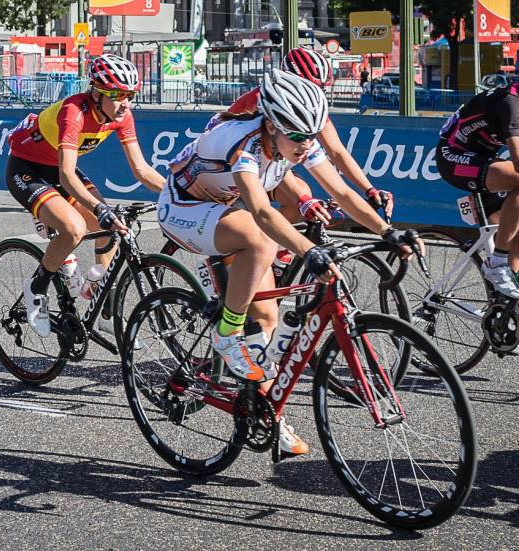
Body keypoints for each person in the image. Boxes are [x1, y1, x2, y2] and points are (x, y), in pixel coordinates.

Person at [158, 69, 420, 455]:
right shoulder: (244, 144)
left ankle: (266, 414)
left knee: (266, 319)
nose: (306, 144)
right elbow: (263, 212)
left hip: (224, 210)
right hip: (183, 208)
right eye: (297, 136)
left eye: (311, 135)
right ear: (271, 125)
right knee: (260, 240)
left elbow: (341, 192)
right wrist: (308, 251)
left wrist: (387, 231)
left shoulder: (297, 141)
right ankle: (226, 333)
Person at [5, 53, 165, 337]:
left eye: (130, 95)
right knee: (74, 229)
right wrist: (98, 208)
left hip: (58, 168)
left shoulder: (122, 116)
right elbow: (67, 175)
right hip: (28, 168)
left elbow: (141, 169)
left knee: (112, 228)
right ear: (97, 93)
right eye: (118, 95)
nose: (125, 103)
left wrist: (176, 193)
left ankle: (105, 310)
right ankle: (36, 288)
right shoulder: (74, 112)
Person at [206, 48, 393, 223]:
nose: (316, 96)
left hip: (266, 165)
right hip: (230, 168)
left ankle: (273, 244)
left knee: (300, 201)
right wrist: (301, 199)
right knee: (263, 220)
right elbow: (268, 159)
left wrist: (369, 190)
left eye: (322, 90)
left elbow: (337, 151)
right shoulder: (265, 103)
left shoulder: (308, 107)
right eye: (311, 88)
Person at [436, 82, 519, 298]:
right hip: (453, 157)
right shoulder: (511, 101)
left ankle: (507, 301)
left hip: (483, 158)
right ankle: (497, 263)